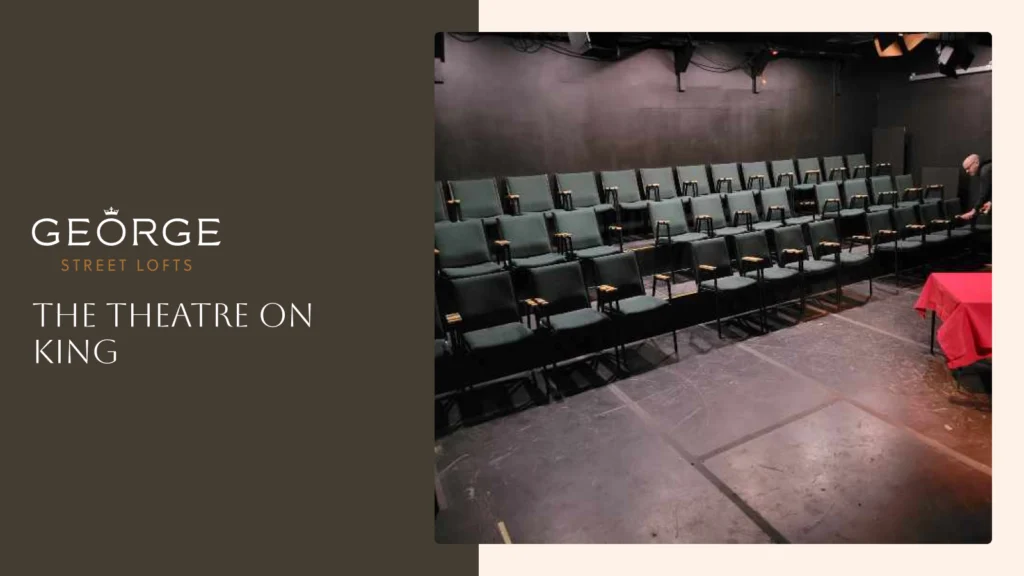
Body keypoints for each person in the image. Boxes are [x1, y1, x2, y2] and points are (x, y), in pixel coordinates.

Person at [959, 154, 991, 220]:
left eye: (968, 168)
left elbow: (983, 194)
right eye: (965, 169)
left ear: (976, 163)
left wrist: (974, 210)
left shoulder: (985, 171)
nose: (967, 171)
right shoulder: (989, 167)